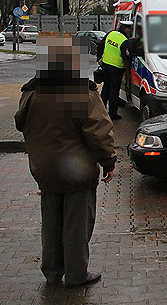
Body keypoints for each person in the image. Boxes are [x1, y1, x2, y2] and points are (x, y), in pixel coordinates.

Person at [14, 36, 116, 288]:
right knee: (77, 225)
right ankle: (76, 274)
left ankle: (52, 271)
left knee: (51, 223)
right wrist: (109, 161)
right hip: (76, 170)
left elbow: (19, 122)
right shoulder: (82, 92)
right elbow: (99, 132)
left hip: (44, 169)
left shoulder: (31, 92)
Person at [99, 21, 132, 120]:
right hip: (116, 69)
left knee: (105, 88)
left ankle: (100, 109)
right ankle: (112, 114)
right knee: (114, 92)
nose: (131, 31)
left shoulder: (111, 34)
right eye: (130, 29)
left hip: (106, 65)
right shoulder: (124, 40)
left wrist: (99, 59)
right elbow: (126, 57)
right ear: (126, 29)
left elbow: (101, 46)